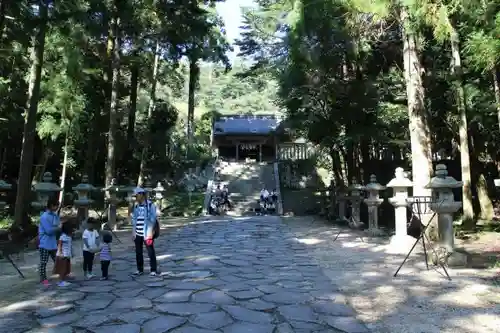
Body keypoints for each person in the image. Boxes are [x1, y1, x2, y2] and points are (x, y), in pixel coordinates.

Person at [131, 188, 158, 276]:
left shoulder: (150, 205)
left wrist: (150, 231)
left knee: (150, 251)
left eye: (136, 195)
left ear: (141, 194)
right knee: (138, 252)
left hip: (147, 231)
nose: (136, 198)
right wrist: (133, 231)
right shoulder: (136, 206)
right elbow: (134, 219)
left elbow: (153, 219)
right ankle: (140, 269)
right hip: (138, 231)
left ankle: (153, 270)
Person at [38, 197, 60, 287]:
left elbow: (57, 226)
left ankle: (60, 276)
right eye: (56, 206)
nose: (57, 208)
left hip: (53, 243)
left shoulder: (55, 215)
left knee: (57, 261)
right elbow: (49, 230)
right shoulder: (44, 216)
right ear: (51, 205)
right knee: (43, 262)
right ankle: (43, 279)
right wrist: (59, 228)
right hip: (44, 243)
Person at [54, 222, 73, 287]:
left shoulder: (69, 237)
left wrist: (72, 253)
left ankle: (63, 280)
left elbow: (70, 246)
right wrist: (60, 253)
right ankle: (60, 281)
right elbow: (59, 245)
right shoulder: (63, 236)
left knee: (66, 269)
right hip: (62, 256)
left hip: (67, 255)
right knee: (62, 269)